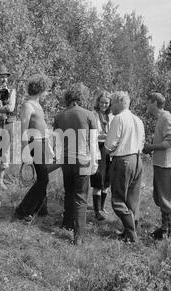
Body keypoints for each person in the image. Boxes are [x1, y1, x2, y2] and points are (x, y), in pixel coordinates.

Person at [53, 83, 99, 245]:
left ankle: (67, 223)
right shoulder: (89, 115)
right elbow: (93, 142)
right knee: (81, 197)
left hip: (66, 159)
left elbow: (57, 141)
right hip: (82, 159)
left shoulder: (59, 116)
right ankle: (78, 236)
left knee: (69, 192)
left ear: (67, 97)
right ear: (82, 97)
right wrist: (94, 162)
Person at [105, 91, 145, 243]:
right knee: (132, 200)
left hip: (123, 161)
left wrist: (107, 151)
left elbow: (110, 144)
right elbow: (142, 142)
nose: (110, 107)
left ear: (119, 102)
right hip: (137, 159)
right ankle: (129, 232)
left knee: (118, 200)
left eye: (112, 103)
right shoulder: (138, 119)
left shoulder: (118, 118)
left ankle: (132, 234)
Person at [14, 74, 51, 221]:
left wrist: (49, 146)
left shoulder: (38, 106)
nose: (48, 93)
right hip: (33, 143)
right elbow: (23, 129)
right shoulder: (27, 105)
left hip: (41, 142)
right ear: (41, 89)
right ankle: (23, 211)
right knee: (44, 179)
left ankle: (41, 209)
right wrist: (25, 151)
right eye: (47, 90)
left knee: (43, 178)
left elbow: (43, 127)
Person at [143, 92, 171, 240]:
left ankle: (170, 236)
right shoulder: (161, 118)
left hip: (167, 165)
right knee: (161, 198)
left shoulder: (167, 118)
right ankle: (164, 230)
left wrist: (151, 147)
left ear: (153, 102)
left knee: (168, 200)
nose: (146, 105)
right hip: (161, 164)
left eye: (148, 102)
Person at [90, 91, 114, 221]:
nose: (103, 105)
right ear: (98, 102)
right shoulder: (93, 115)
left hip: (109, 150)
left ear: (110, 104)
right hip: (97, 148)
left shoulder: (112, 116)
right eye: (101, 102)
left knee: (106, 181)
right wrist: (104, 136)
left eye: (106, 102)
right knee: (98, 179)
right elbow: (92, 133)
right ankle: (96, 211)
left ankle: (103, 206)